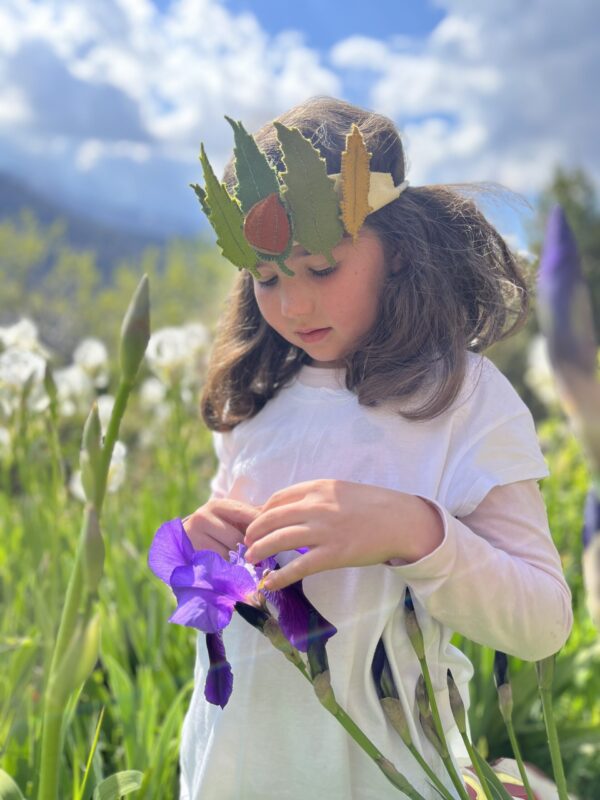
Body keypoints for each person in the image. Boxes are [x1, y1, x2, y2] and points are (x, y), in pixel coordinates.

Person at [178, 96, 573, 799]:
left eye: (323, 268)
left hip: (376, 775)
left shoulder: (463, 400)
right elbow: (231, 568)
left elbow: (542, 622)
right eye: (267, 280)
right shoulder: (256, 398)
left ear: (397, 250)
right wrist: (199, 543)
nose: (294, 306)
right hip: (233, 765)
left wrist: (413, 531)